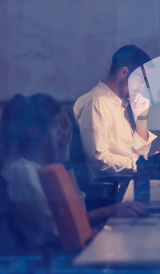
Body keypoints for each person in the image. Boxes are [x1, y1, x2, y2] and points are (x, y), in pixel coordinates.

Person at [0, 94, 145, 252]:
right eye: (56, 124)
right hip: (54, 257)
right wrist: (110, 211)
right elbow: (61, 225)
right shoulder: (22, 171)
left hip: (65, 249)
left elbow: (77, 211)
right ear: (34, 131)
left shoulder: (37, 167)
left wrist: (64, 157)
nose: (62, 131)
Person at [73, 45, 157, 180]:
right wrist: (140, 165)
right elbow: (99, 160)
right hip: (109, 193)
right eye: (142, 80)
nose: (142, 87)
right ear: (124, 72)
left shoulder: (121, 103)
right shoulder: (96, 102)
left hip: (127, 185)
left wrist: (141, 116)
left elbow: (140, 155)